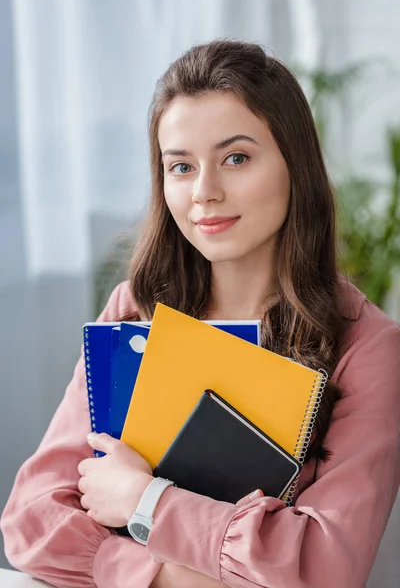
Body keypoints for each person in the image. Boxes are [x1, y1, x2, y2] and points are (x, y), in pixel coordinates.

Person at [1, 38, 399, 588]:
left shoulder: (368, 344)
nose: (204, 192)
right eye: (181, 166)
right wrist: (171, 576)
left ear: (294, 164)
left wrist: (147, 502)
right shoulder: (135, 309)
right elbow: (31, 520)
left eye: (236, 158)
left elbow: (324, 567)